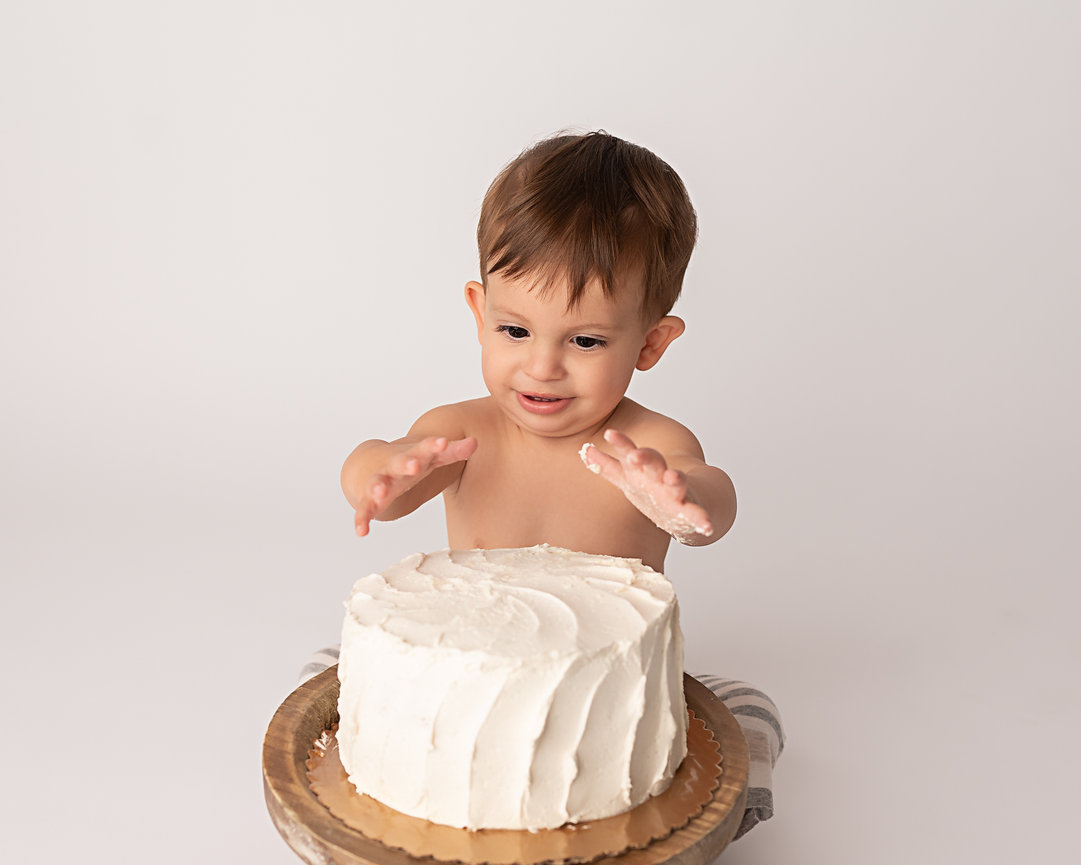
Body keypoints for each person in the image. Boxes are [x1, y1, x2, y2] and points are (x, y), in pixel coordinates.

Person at [324, 131, 781, 838]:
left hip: (598, 704)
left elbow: (709, 500)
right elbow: (389, 466)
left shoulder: (647, 448)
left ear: (651, 343)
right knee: (329, 668)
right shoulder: (461, 430)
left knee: (745, 704)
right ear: (479, 312)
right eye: (514, 330)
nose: (541, 366)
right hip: (466, 684)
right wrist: (381, 473)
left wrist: (678, 495)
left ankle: (718, 821)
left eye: (585, 341)